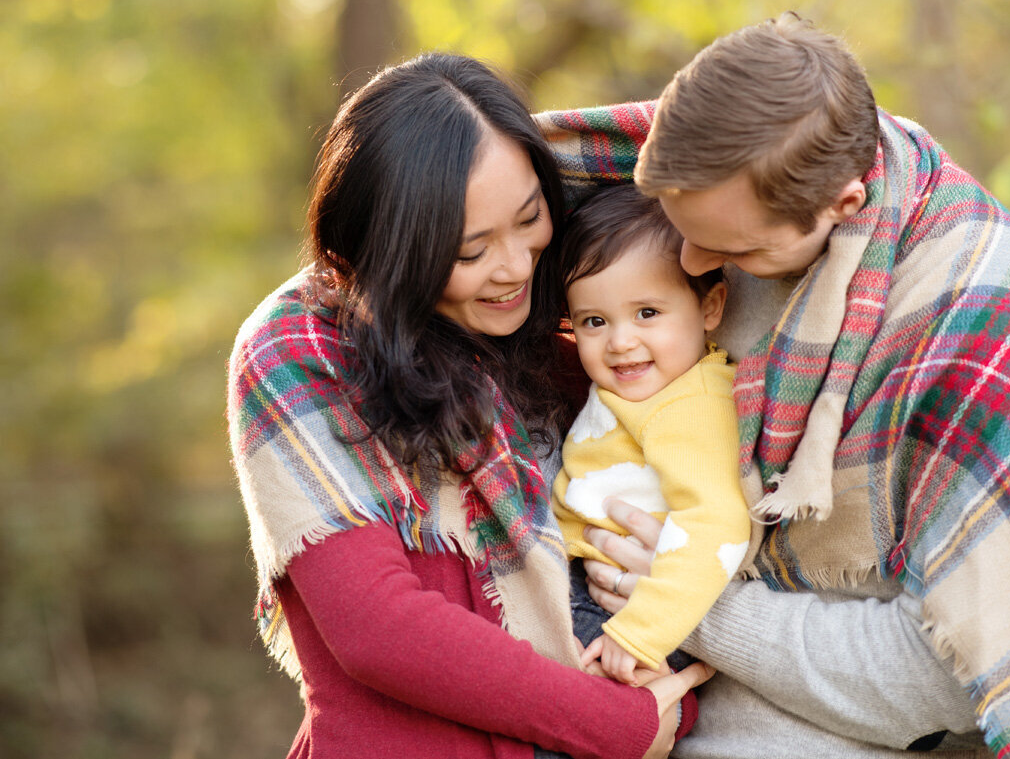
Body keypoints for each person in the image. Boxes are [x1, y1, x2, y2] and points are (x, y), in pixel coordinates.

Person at [535, 13, 1010, 758]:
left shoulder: (981, 319)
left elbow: (955, 678)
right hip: (609, 686)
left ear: (843, 205)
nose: (689, 263)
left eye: (733, 250)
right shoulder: (718, 159)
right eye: (680, 227)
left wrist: (692, 602)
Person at [226, 53, 712, 759]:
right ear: (394, 252)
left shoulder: (577, 328)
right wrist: (617, 723)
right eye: (471, 249)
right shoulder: (299, 348)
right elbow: (378, 627)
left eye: (529, 219)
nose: (515, 265)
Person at [551, 185, 751, 685]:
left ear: (710, 308)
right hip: (583, 578)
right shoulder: (649, 386)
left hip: (633, 610)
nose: (620, 342)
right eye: (594, 321)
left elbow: (716, 525)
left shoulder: (693, 404)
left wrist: (640, 633)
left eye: (647, 313)